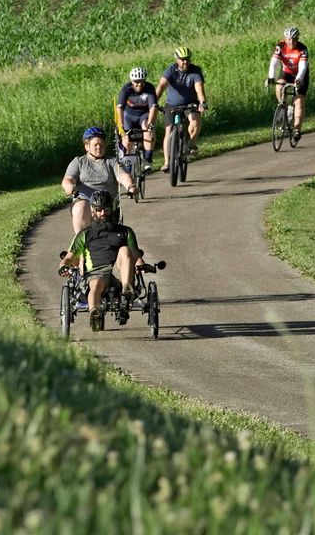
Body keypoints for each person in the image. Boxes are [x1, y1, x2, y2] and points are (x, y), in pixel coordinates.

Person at [58, 189, 145, 332]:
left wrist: (141, 265)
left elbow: (136, 256)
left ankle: (126, 292)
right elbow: (69, 257)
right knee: (96, 284)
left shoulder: (125, 231)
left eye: (106, 209)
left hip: (119, 272)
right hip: (95, 273)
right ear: (93, 211)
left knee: (125, 250)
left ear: (112, 209)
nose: (103, 213)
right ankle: (95, 313)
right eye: (99, 210)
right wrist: (63, 267)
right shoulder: (84, 234)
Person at [61, 125, 135, 235]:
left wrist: (130, 186)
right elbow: (68, 179)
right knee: (81, 208)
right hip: (85, 200)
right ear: (87, 146)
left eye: (101, 144)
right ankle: (82, 242)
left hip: (107, 201)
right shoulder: (79, 162)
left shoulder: (112, 162)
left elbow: (122, 175)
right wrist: (70, 187)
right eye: (95, 145)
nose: (99, 147)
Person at [156, 45, 207, 174]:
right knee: (168, 131)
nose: (185, 62)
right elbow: (161, 86)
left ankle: (191, 144)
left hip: (190, 104)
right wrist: (154, 102)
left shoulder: (195, 71)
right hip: (172, 105)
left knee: (195, 122)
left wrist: (202, 103)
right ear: (177, 60)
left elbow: (199, 88)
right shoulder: (170, 70)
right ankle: (167, 162)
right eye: (182, 59)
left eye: (187, 59)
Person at [267, 26, 309, 141]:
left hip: (300, 75)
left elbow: (303, 67)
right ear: (285, 39)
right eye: (289, 39)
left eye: (294, 39)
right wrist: (271, 77)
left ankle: (296, 130)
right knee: (279, 85)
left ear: (298, 38)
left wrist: (299, 79)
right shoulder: (280, 46)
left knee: (299, 101)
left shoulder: (302, 49)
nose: (291, 42)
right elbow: (274, 63)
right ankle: (283, 107)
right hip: (286, 72)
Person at [115, 66, 158, 171]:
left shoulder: (149, 88)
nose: (139, 84)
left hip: (143, 115)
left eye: (142, 82)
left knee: (148, 131)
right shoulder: (126, 89)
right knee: (127, 140)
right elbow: (119, 108)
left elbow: (153, 107)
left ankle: (147, 159)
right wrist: (120, 125)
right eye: (136, 82)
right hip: (129, 116)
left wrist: (150, 123)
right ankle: (127, 164)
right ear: (132, 81)